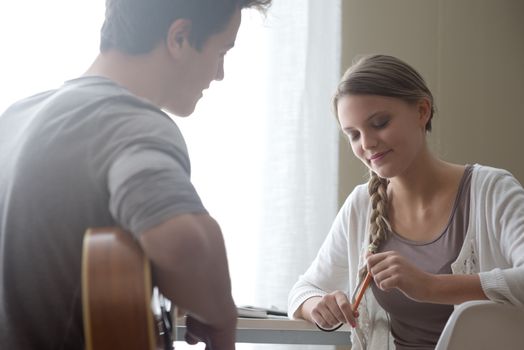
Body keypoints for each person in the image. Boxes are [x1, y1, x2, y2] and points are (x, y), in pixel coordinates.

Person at [0, 1, 271, 349]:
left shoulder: (15, 118)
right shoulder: (127, 122)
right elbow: (182, 243)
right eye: (222, 51)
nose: (219, 74)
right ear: (180, 37)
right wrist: (221, 316)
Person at [288, 54, 524, 349]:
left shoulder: (491, 190)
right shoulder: (362, 204)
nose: (367, 143)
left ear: (422, 110)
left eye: (380, 123)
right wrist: (319, 307)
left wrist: (429, 286)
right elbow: (303, 290)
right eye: (353, 134)